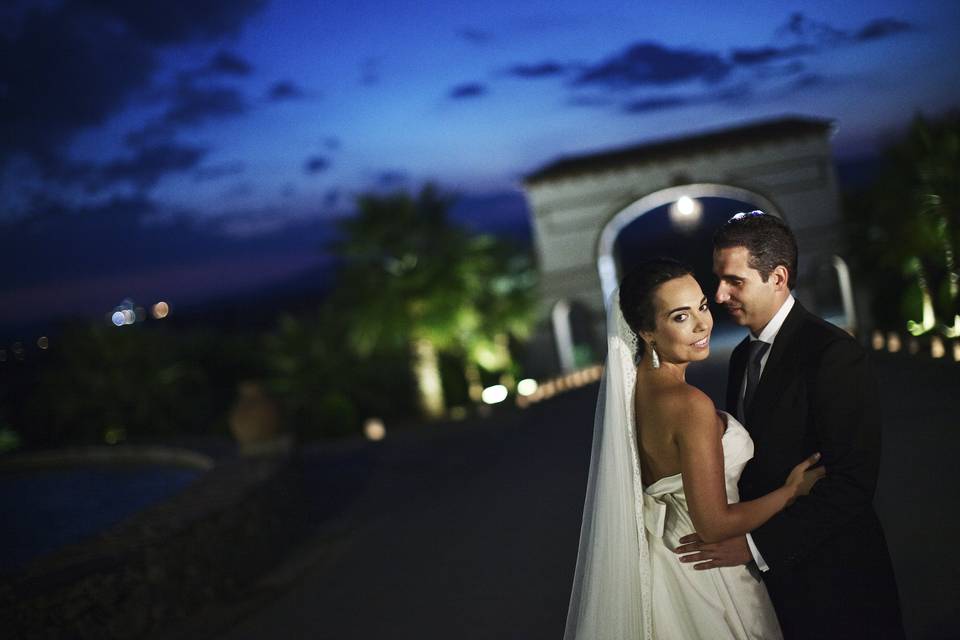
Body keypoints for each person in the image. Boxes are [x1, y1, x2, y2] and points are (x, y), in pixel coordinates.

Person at [564, 257, 823, 640]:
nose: (703, 323)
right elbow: (714, 524)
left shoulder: (632, 393)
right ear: (647, 332)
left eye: (702, 306)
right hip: (707, 572)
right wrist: (790, 492)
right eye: (680, 317)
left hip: (663, 565)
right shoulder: (689, 404)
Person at [673, 211, 903, 638]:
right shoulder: (743, 357)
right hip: (777, 586)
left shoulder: (832, 353)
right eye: (718, 280)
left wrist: (752, 548)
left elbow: (851, 483)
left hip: (838, 581)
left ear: (778, 277)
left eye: (734, 281)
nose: (720, 295)